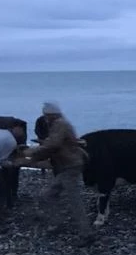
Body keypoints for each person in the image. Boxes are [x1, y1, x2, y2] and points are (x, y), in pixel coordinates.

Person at [16, 102, 94, 246]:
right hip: (67, 165)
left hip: (70, 166)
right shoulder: (59, 124)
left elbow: (53, 144)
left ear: (50, 115)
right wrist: (35, 154)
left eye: (45, 116)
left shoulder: (59, 124)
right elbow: (53, 145)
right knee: (49, 196)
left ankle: (86, 233)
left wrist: (30, 153)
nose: (45, 119)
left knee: (74, 201)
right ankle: (57, 223)